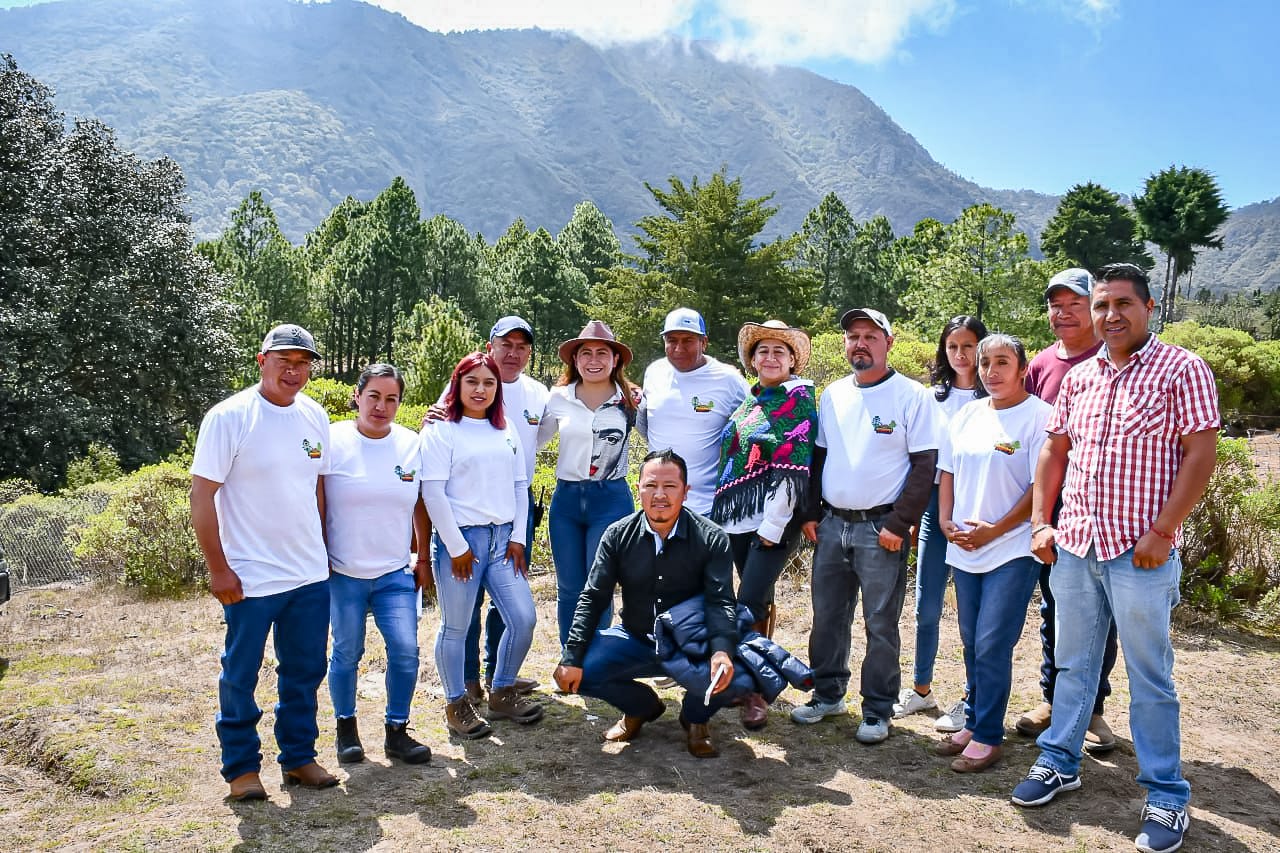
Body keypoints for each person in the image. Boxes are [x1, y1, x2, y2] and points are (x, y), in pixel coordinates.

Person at [1011, 263, 1219, 853]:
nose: (1111, 315)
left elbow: (1199, 456)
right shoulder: (1080, 378)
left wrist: (1163, 531)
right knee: (1072, 664)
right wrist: (1041, 522)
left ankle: (1165, 793)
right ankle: (1060, 760)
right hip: (1075, 547)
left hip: (1140, 553)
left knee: (1149, 674)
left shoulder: (1183, 370)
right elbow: (1055, 450)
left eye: (1123, 303)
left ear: (1149, 308)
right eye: (1102, 305)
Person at [190, 323, 339, 801]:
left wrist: (323, 551)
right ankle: (241, 770)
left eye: (303, 363)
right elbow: (202, 496)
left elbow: (317, 488)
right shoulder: (230, 416)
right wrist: (218, 568)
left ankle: (298, 757)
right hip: (250, 576)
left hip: (309, 575)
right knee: (241, 672)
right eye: (285, 361)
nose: (294, 371)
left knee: (304, 670)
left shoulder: (314, 416)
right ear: (262, 360)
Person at [791, 308, 941, 744]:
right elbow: (817, 458)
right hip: (833, 525)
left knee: (880, 623)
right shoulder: (834, 394)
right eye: (853, 336)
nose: (860, 343)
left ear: (888, 343)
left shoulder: (912, 396)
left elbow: (924, 465)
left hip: (882, 529)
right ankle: (827, 693)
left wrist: (901, 522)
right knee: (828, 618)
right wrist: (811, 513)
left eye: (870, 336)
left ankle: (877, 709)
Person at [553, 450, 738, 758]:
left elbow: (720, 602)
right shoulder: (617, 535)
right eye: (651, 486)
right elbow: (593, 596)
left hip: (689, 644)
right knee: (579, 668)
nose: (660, 495)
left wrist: (721, 651)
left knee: (737, 665)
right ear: (638, 488)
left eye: (670, 486)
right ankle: (641, 707)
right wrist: (571, 656)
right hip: (635, 637)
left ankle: (695, 718)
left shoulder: (711, 538)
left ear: (686, 491)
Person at [933, 335, 1051, 773]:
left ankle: (987, 737)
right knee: (969, 641)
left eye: (1003, 362)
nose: (992, 371)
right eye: (985, 364)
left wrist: (997, 529)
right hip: (964, 547)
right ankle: (975, 722)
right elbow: (946, 472)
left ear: (1023, 369)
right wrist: (946, 520)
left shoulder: (1041, 417)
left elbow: (1041, 485)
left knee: (992, 642)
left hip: (1012, 547)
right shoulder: (966, 415)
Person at [1017, 267, 1118, 754]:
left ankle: (1093, 709)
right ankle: (1054, 701)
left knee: (1106, 612)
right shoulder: (1038, 365)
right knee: (1055, 607)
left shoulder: (1116, 359)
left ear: (1095, 306)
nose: (1063, 312)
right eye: (1055, 304)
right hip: (1052, 513)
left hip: (1107, 514)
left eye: (1074, 303)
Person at [420, 352, 543, 739]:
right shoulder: (442, 430)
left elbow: (520, 486)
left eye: (489, 383)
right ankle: (456, 704)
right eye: (472, 381)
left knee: (523, 618)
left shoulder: (504, 430)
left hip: (503, 540)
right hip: (462, 541)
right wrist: (456, 547)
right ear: (457, 384)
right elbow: (433, 493)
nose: (481, 389)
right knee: (455, 626)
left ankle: (502, 690)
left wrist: (520, 537)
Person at [322, 364, 432, 766]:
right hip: (343, 571)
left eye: (392, 399)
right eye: (374, 396)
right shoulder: (333, 439)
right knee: (347, 651)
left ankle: (397, 731)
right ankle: (345, 728)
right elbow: (314, 496)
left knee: (405, 650)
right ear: (357, 396)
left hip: (394, 572)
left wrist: (423, 555)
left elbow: (421, 502)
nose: (382, 406)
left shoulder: (410, 444)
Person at [710, 320, 817, 729]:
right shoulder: (751, 403)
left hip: (772, 522)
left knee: (748, 605)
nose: (770, 358)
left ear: (792, 360)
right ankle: (749, 681)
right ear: (752, 360)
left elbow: (794, 466)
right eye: (763, 351)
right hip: (737, 519)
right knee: (756, 604)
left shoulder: (798, 400)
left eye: (779, 351)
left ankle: (758, 689)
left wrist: (772, 528)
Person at [894, 316, 988, 731]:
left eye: (969, 346)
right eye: (952, 347)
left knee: (973, 613)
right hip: (934, 506)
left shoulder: (997, 395)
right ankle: (920, 689)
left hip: (978, 507)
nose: (961, 355)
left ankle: (971, 697)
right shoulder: (932, 397)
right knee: (926, 604)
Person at [460, 317, 547, 705]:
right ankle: (467, 679)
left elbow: (541, 436)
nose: (513, 353)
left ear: (529, 352)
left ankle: (499, 674)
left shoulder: (538, 394)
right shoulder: (472, 385)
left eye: (521, 346)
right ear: (489, 345)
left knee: (506, 593)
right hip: (470, 507)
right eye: (505, 344)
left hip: (516, 505)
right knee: (468, 597)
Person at [538, 320, 639, 646]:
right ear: (575, 360)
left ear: (615, 360)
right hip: (566, 500)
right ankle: (571, 657)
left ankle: (594, 659)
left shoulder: (632, 402)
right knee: (569, 586)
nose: (593, 360)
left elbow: (661, 437)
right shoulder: (558, 399)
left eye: (602, 353)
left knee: (600, 584)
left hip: (610, 500)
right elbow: (531, 441)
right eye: (585, 353)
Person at [637, 308, 750, 515]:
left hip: (708, 508)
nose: (679, 348)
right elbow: (648, 425)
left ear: (704, 342)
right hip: (657, 506)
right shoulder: (654, 372)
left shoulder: (729, 380)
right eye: (671, 340)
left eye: (688, 340)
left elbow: (753, 427)